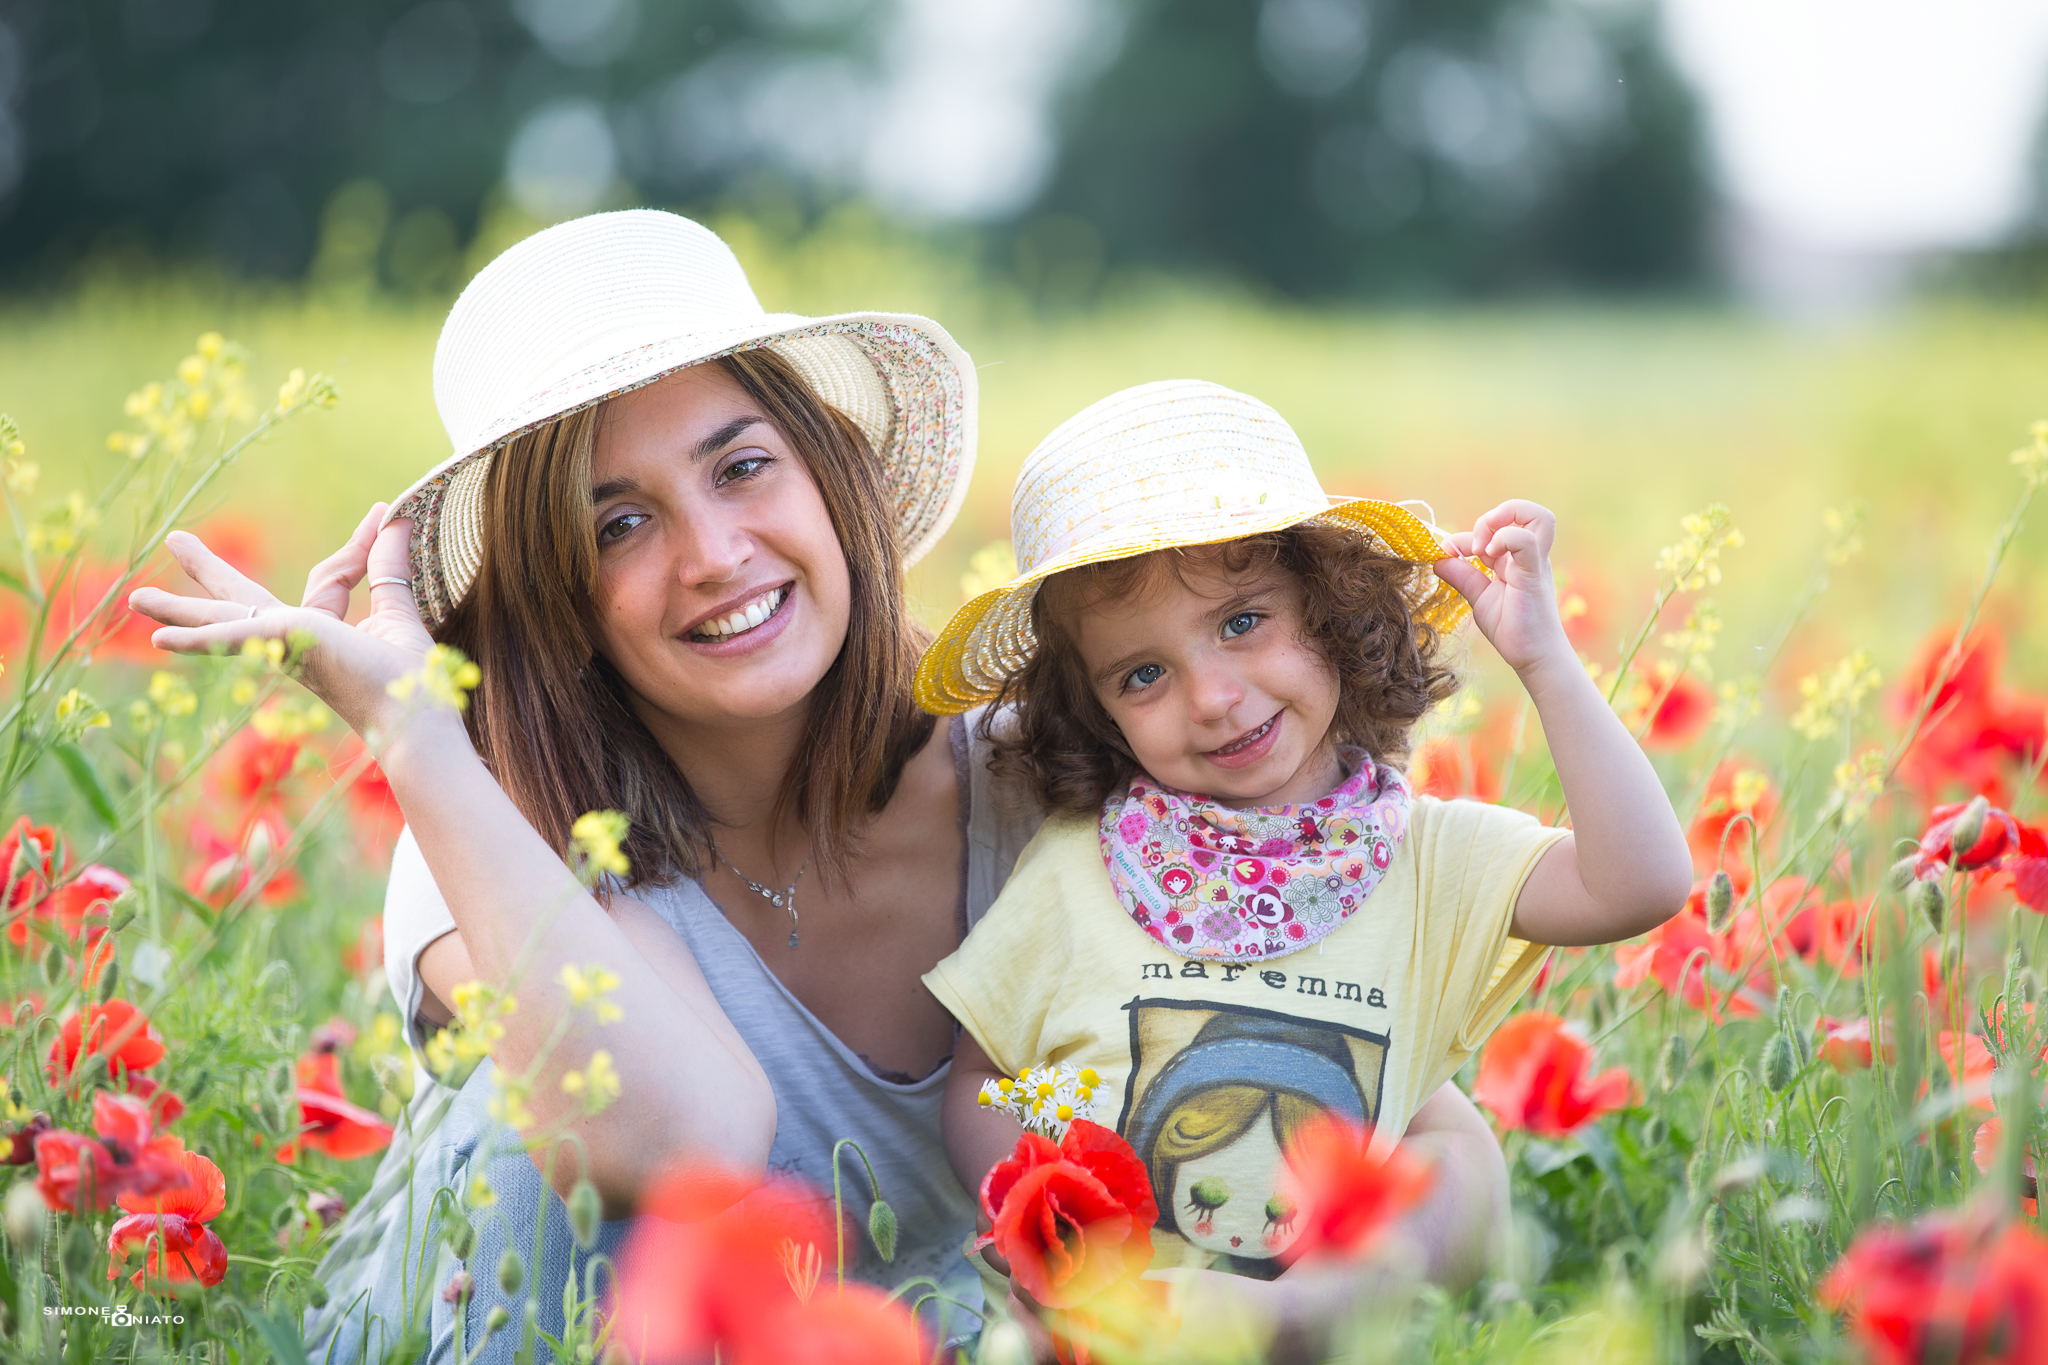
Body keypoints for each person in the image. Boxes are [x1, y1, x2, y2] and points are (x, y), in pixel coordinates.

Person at [130, 216, 1515, 1361]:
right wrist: (415, 735)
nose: (716, 552)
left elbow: (1436, 1143)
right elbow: (688, 1144)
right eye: (619, 523)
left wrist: (1291, 1306)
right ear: (559, 596)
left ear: (830, 475)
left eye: (742, 466)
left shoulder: (1066, 779)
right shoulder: (487, 825)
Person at [920, 380, 1694, 1350]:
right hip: (1117, 1329)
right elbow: (980, 1080)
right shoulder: (1078, 868)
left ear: (1332, 611)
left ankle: (1297, 1316)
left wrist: (1541, 661)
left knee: (1451, 1184)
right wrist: (1039, 1235)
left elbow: (1643, 884)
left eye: (1242, 622)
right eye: (1142, 674)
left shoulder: (1430, 859)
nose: (1210, 696)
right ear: (1095, 706)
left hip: (1337, 1327)